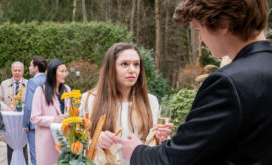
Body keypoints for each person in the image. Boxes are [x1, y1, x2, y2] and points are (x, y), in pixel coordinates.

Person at [121, 0, 272, 164]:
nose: (200, 38)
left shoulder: (228, 83)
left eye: (199, 29)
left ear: (223, 24)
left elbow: (177, 159)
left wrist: (136, 151)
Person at [79, 42, 172, 164]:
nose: (132, 70)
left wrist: (161, 138)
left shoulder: (150, 101)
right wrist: (96, 140)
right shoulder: (89, 100)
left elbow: (156, 147)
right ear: (111, 68)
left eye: (136, 64)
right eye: (124, 64)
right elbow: (76, 144)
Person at [31, 59, 71, 165]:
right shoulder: (40, 91)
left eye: (65, 71)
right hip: (47, 140)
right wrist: (54, 119)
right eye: (61, 71)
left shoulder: (67, 89)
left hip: (64, 138)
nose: (64, 74)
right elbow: (34, 118)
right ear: (53, 72)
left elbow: (70, 111)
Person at [0, 61, 28, 165]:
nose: (17, 72)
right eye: (15, 70)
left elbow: (32, 101)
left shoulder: (29, 84)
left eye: (19, 70)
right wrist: (5, 107)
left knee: (23, 145)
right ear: (11, 71)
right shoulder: (4, 84)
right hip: (9, 122)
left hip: (23, 122)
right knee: (10, 145)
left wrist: (24, 107)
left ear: (23, 71)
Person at [23, 56, 47, 165]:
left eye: (30, 65)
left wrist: (25, 124)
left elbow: (29, 106)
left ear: (36, 68)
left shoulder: (32, 82)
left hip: (34, 124)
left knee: (35, 157)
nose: (29, 68)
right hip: (47, 122)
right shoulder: (50, 81)